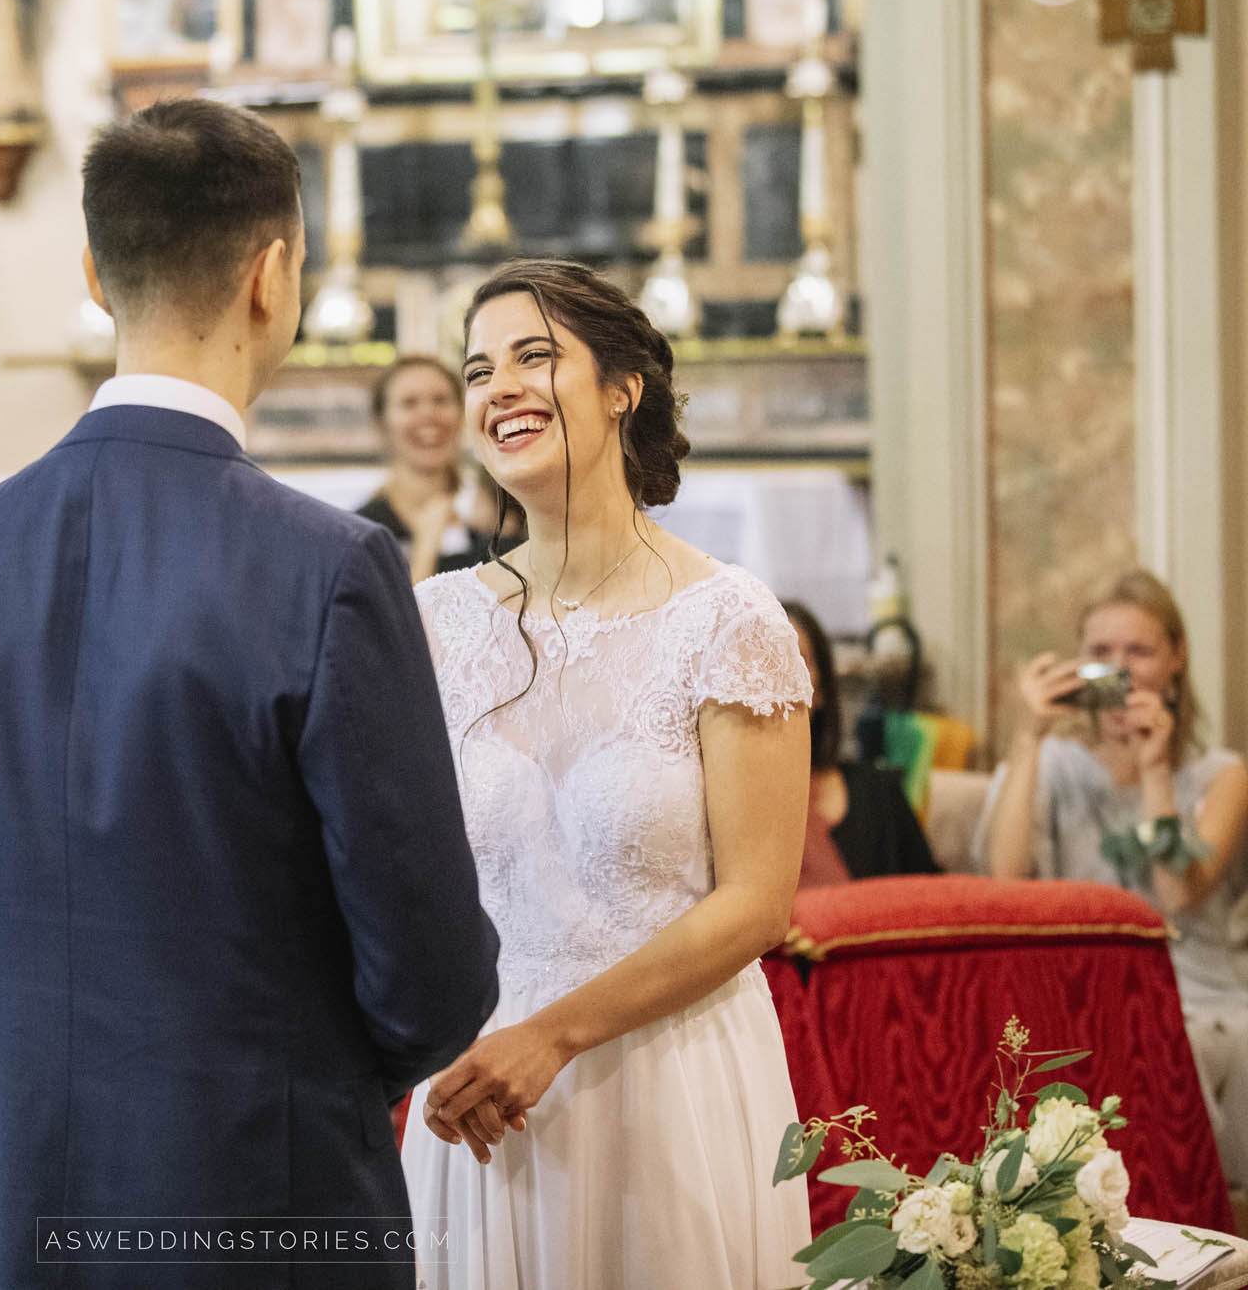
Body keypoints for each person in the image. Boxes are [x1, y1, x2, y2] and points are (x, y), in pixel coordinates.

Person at [0, 97, 499, 1288]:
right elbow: (429, 972)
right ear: (273, 275)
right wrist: (286, 1077)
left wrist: (31, 1076)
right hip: (261, 1194)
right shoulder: (329, 567)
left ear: (94, 273)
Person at [401, 258, 813, 1288]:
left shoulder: (726, 619)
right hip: (479, 1092)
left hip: (664, 1084)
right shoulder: (432, 623)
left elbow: (758, 903)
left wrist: (552, 1034)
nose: (498, 387)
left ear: (621, 385)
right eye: (477, 368)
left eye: (534, 356)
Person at [979, 569, 1248, 1178]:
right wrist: (1026, 740)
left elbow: (1178, 895)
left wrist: (1155, 770)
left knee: (1174, 1044)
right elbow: (1003, 880)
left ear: (1176, 658)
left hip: (1196, 987)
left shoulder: (1222, 776)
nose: (1119, 668)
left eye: (1139, 651)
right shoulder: (1052, 765)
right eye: (1101, 653)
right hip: (1077, 980)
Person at [785, 600, 938, 887]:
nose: (775, 680)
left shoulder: (879, 793)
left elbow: (933, 900)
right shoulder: (719, 810)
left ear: (822, 691)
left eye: (795, 661)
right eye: (762, 665)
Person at [354, 356, 484, 582]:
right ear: (381, 422)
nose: (428, 415)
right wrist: (426, 548)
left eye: (440, 400)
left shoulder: (489, 523)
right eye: (409, 403)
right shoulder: (360, 536)